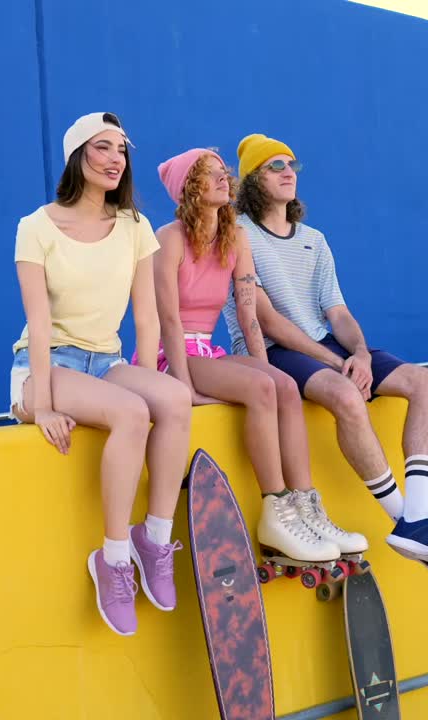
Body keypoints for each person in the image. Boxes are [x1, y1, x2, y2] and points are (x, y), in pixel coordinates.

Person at [221, 133, 428, 576]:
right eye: (274, 166)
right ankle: (407, 522)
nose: (287, 173)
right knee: (345, 395)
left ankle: (416, 516)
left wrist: (358, 351)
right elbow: (267, 320)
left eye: (291, 165)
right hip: (275, 350)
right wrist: (338, 363)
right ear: (252, 181)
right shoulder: (239, 235)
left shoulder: (315, 240)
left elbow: (336, 311)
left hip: (327, 344)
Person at [10, 112, 193, 635]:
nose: (116, 159)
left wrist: (146, 378)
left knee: (172, 399)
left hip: (105, 363)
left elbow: (146, 317)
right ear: (77, 157)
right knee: (132, 414)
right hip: (44, 366)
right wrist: (42, 404)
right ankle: (113, 560)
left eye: (122, 150)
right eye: (102, 148)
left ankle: (154, 539)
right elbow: (39, 323)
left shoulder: (134, 227)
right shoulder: (37, 227)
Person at [143, 147, 365, 567]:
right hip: (170, 354)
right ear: (188, 188)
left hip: (209, 349)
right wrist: (183, 386)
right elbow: (168, 321)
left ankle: (307, 508)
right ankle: (275, 509)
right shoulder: (167, 238)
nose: (223, 179)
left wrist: (266, 367)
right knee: (263, 386)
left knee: (281, 384)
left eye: (223, 172)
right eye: (208, 174)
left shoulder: (235, 237)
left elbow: (249, 317)